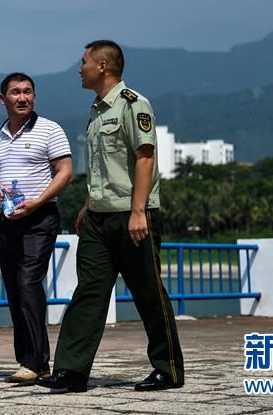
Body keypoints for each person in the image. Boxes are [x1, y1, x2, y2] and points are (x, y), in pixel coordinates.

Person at [37, 41, 185, 393]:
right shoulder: (96, 110)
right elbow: (104, 167)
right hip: (99, 219)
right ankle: (72, 371)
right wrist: (88, 205)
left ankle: (169, 370)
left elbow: (145, 158)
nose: (79, 68)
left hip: (133, 216)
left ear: (102, 66)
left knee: (148, 292)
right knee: (88, 292)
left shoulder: (134, 104)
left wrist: (138, 212)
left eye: (84, 61)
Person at [0, 72, 73, 383]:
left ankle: (34, 362)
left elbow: (65, 172)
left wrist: (37, 200)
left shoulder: (50, 130)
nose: (23, 98)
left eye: (28, 92)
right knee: (14, 288)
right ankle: (32, 361)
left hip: (40, 217)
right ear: (2, 98)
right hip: (8, 220)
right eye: (16, 92)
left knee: (27, 282)